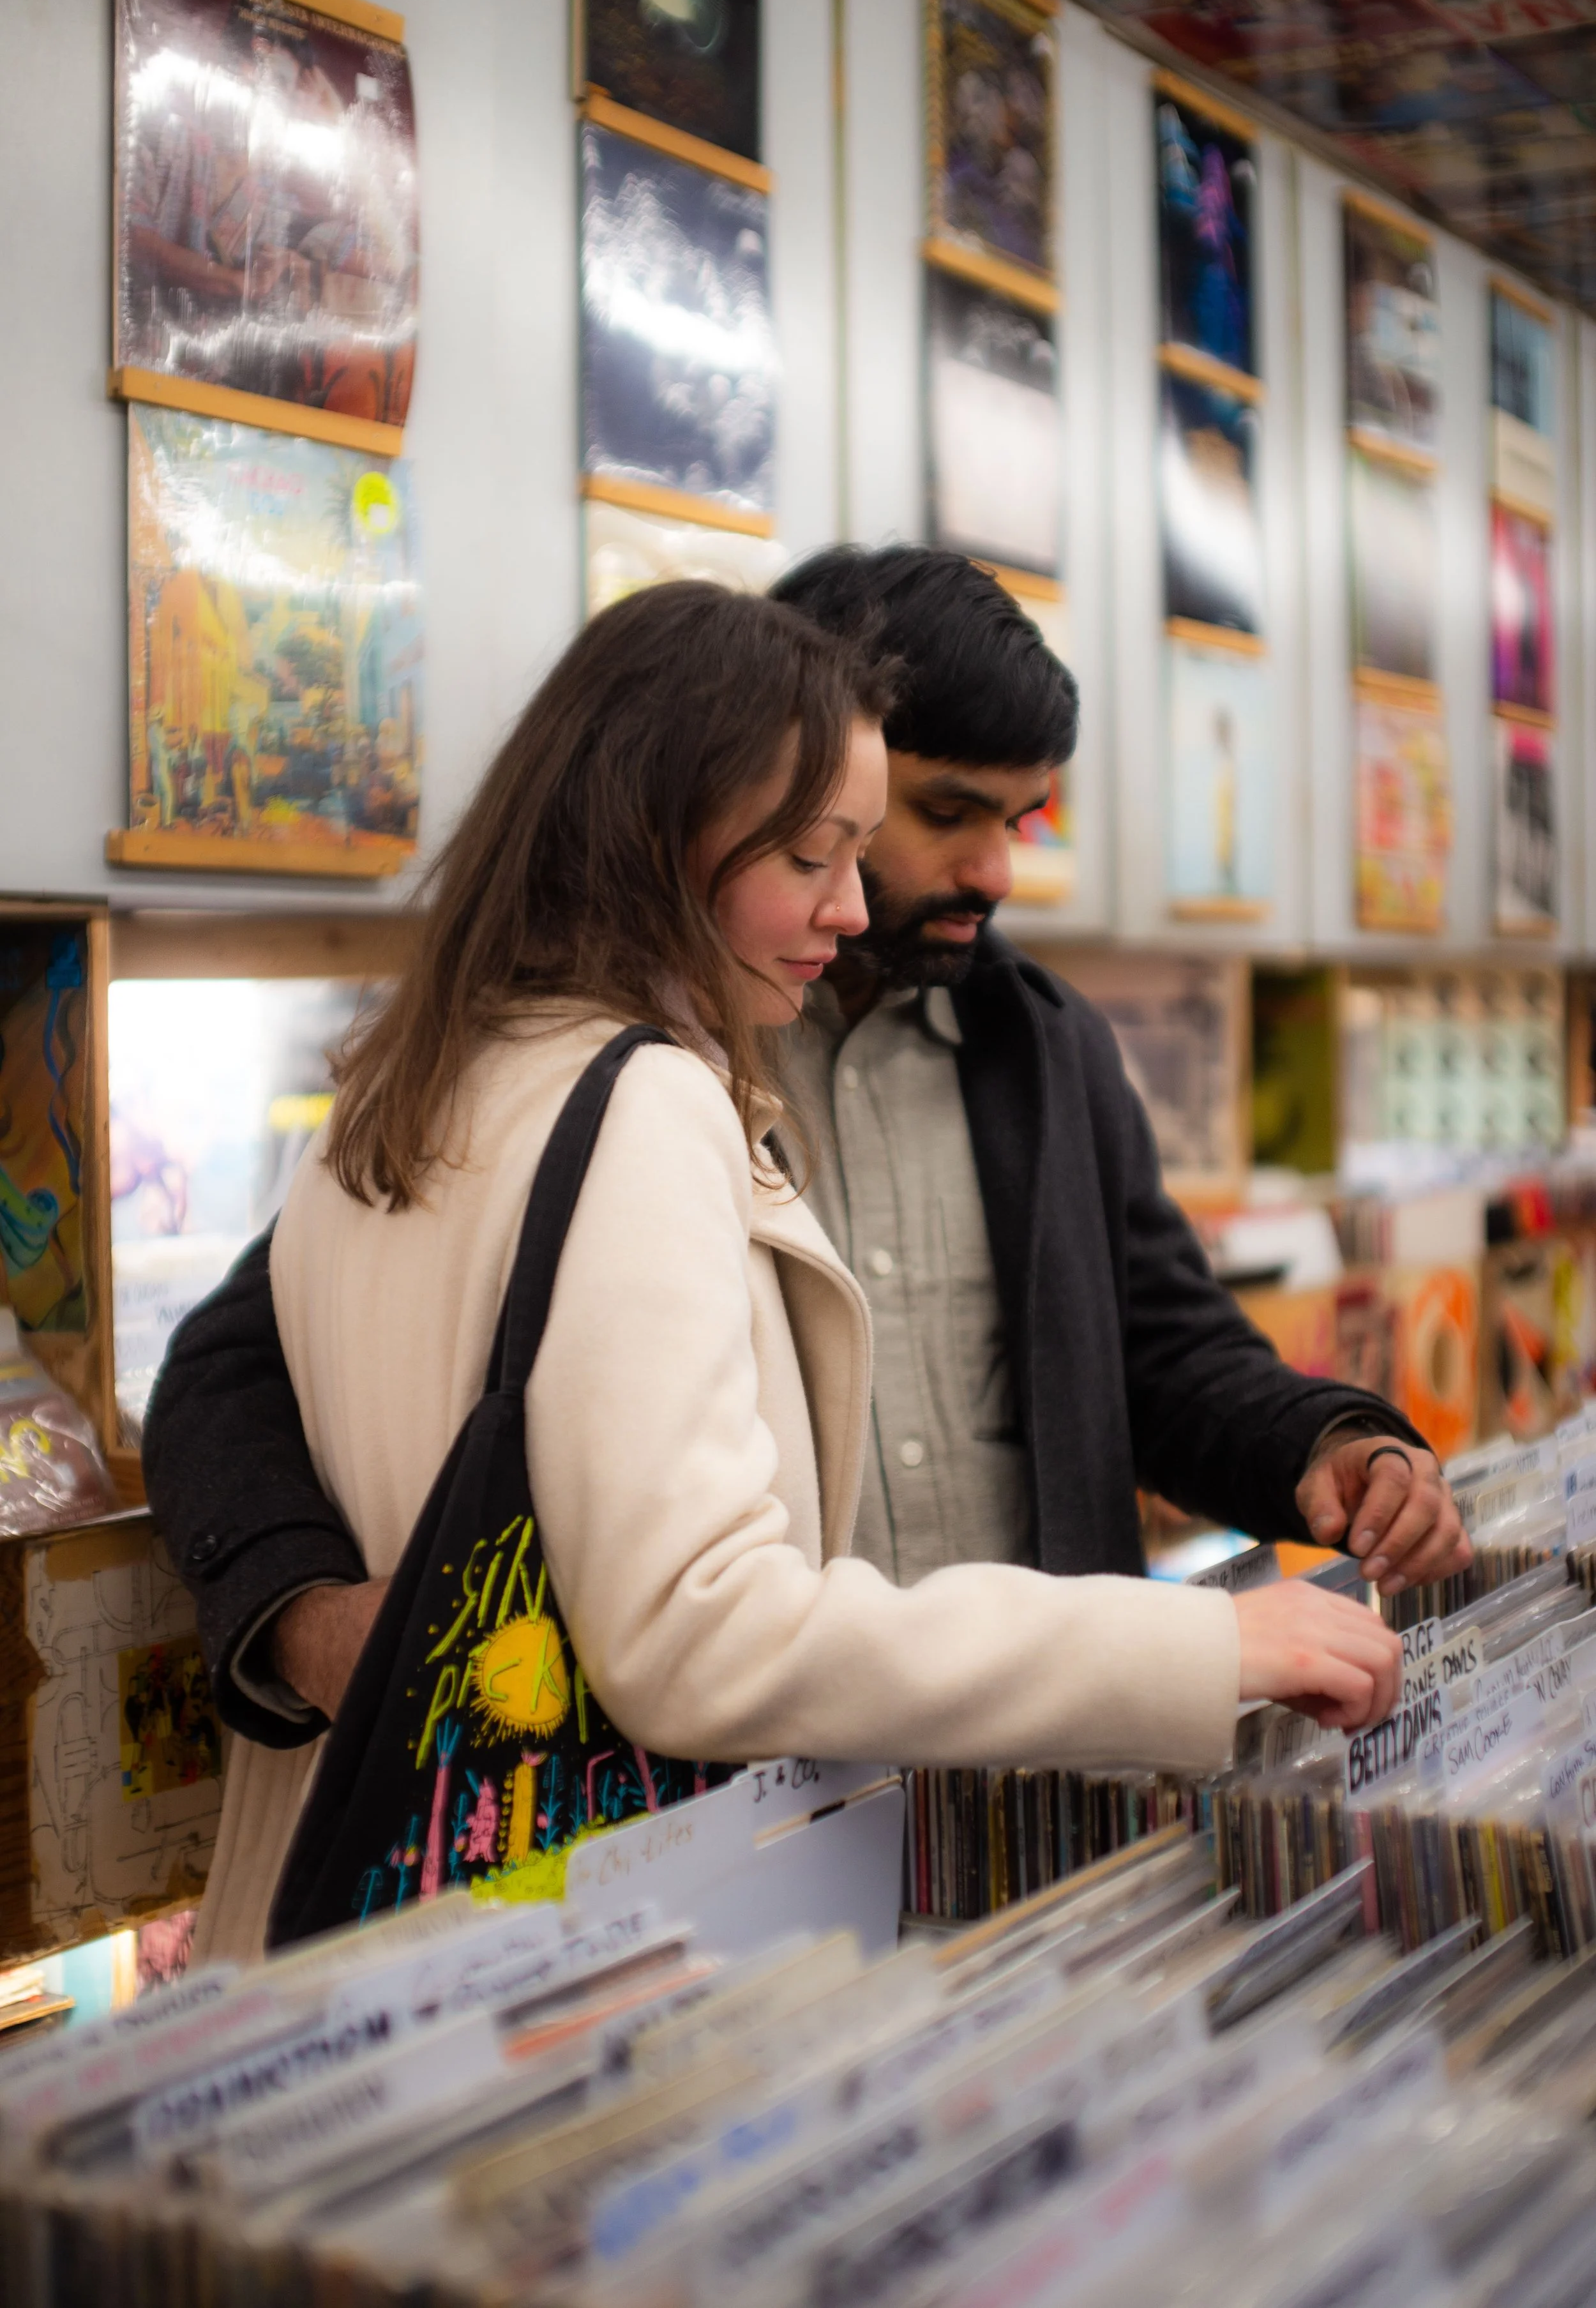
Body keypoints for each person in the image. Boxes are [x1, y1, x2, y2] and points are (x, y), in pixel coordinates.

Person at [155, 580, 1401, 1960]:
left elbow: (1161, 1345)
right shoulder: (651, 1091)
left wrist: (1316, 1440)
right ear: (677, 820)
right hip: (636, 1900)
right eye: (833, 848)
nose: (871, 899)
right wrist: (300, 1615)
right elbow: (704, 1636)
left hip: (399, 1924)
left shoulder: (406, 1069)